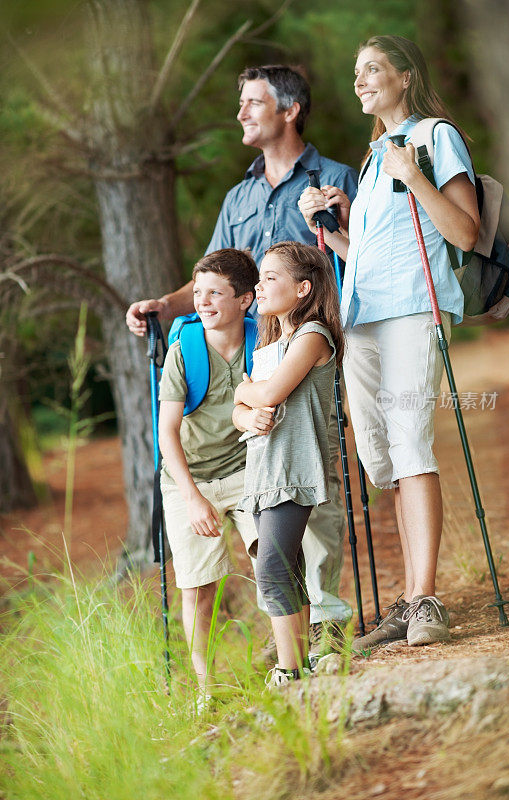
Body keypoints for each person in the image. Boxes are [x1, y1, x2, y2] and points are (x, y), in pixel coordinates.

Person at [127, 65, 359, 650]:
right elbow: (213, 274)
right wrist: (163, 304)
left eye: (253, 102)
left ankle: (328, 622)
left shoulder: (334, 177)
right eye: (241, 103)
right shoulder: (240, 195)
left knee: (317, 472)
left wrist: (344, 218)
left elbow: (362, 266)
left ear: (289, 110)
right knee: (271, 474)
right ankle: (293, 627)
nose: (242, 113)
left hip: (312, 344)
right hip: (256, 353)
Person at [298, 35, 480, 649]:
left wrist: (413, 174)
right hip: (364, 316)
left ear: (406, 77)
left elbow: (463, 229)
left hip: (411, 313)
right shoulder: (374, 159)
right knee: (383, 461)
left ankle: (426, 600)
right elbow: (370, 260)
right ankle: (406, 600)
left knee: (410, 444)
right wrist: (333, 229)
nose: (361, 80)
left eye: (373, 69)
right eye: (356, 73)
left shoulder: (432, 138)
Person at [158, 248, 273, 707]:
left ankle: (288, 654)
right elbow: (166, 432)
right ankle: (206, 687)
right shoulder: (183, 350)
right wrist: (192, 499)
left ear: (245, 300)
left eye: (215, 293)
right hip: (189, 479)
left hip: (247, 470)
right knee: (199, 586)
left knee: (274, 557)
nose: (203, 302)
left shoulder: (261, 340)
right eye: (199, 292)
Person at [233, 241, 344, 687]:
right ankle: (298, 663)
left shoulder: (312, 335)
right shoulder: (270, 341)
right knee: (287, 565)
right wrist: (244, 402)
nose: (259, 286)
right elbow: (241, 410)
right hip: (264, 465)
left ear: (302, 288)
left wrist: (246, 393)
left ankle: (288, 668)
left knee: (272, 567)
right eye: (259, 278)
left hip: (294, 465)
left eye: (271, 278)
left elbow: (268, 393)